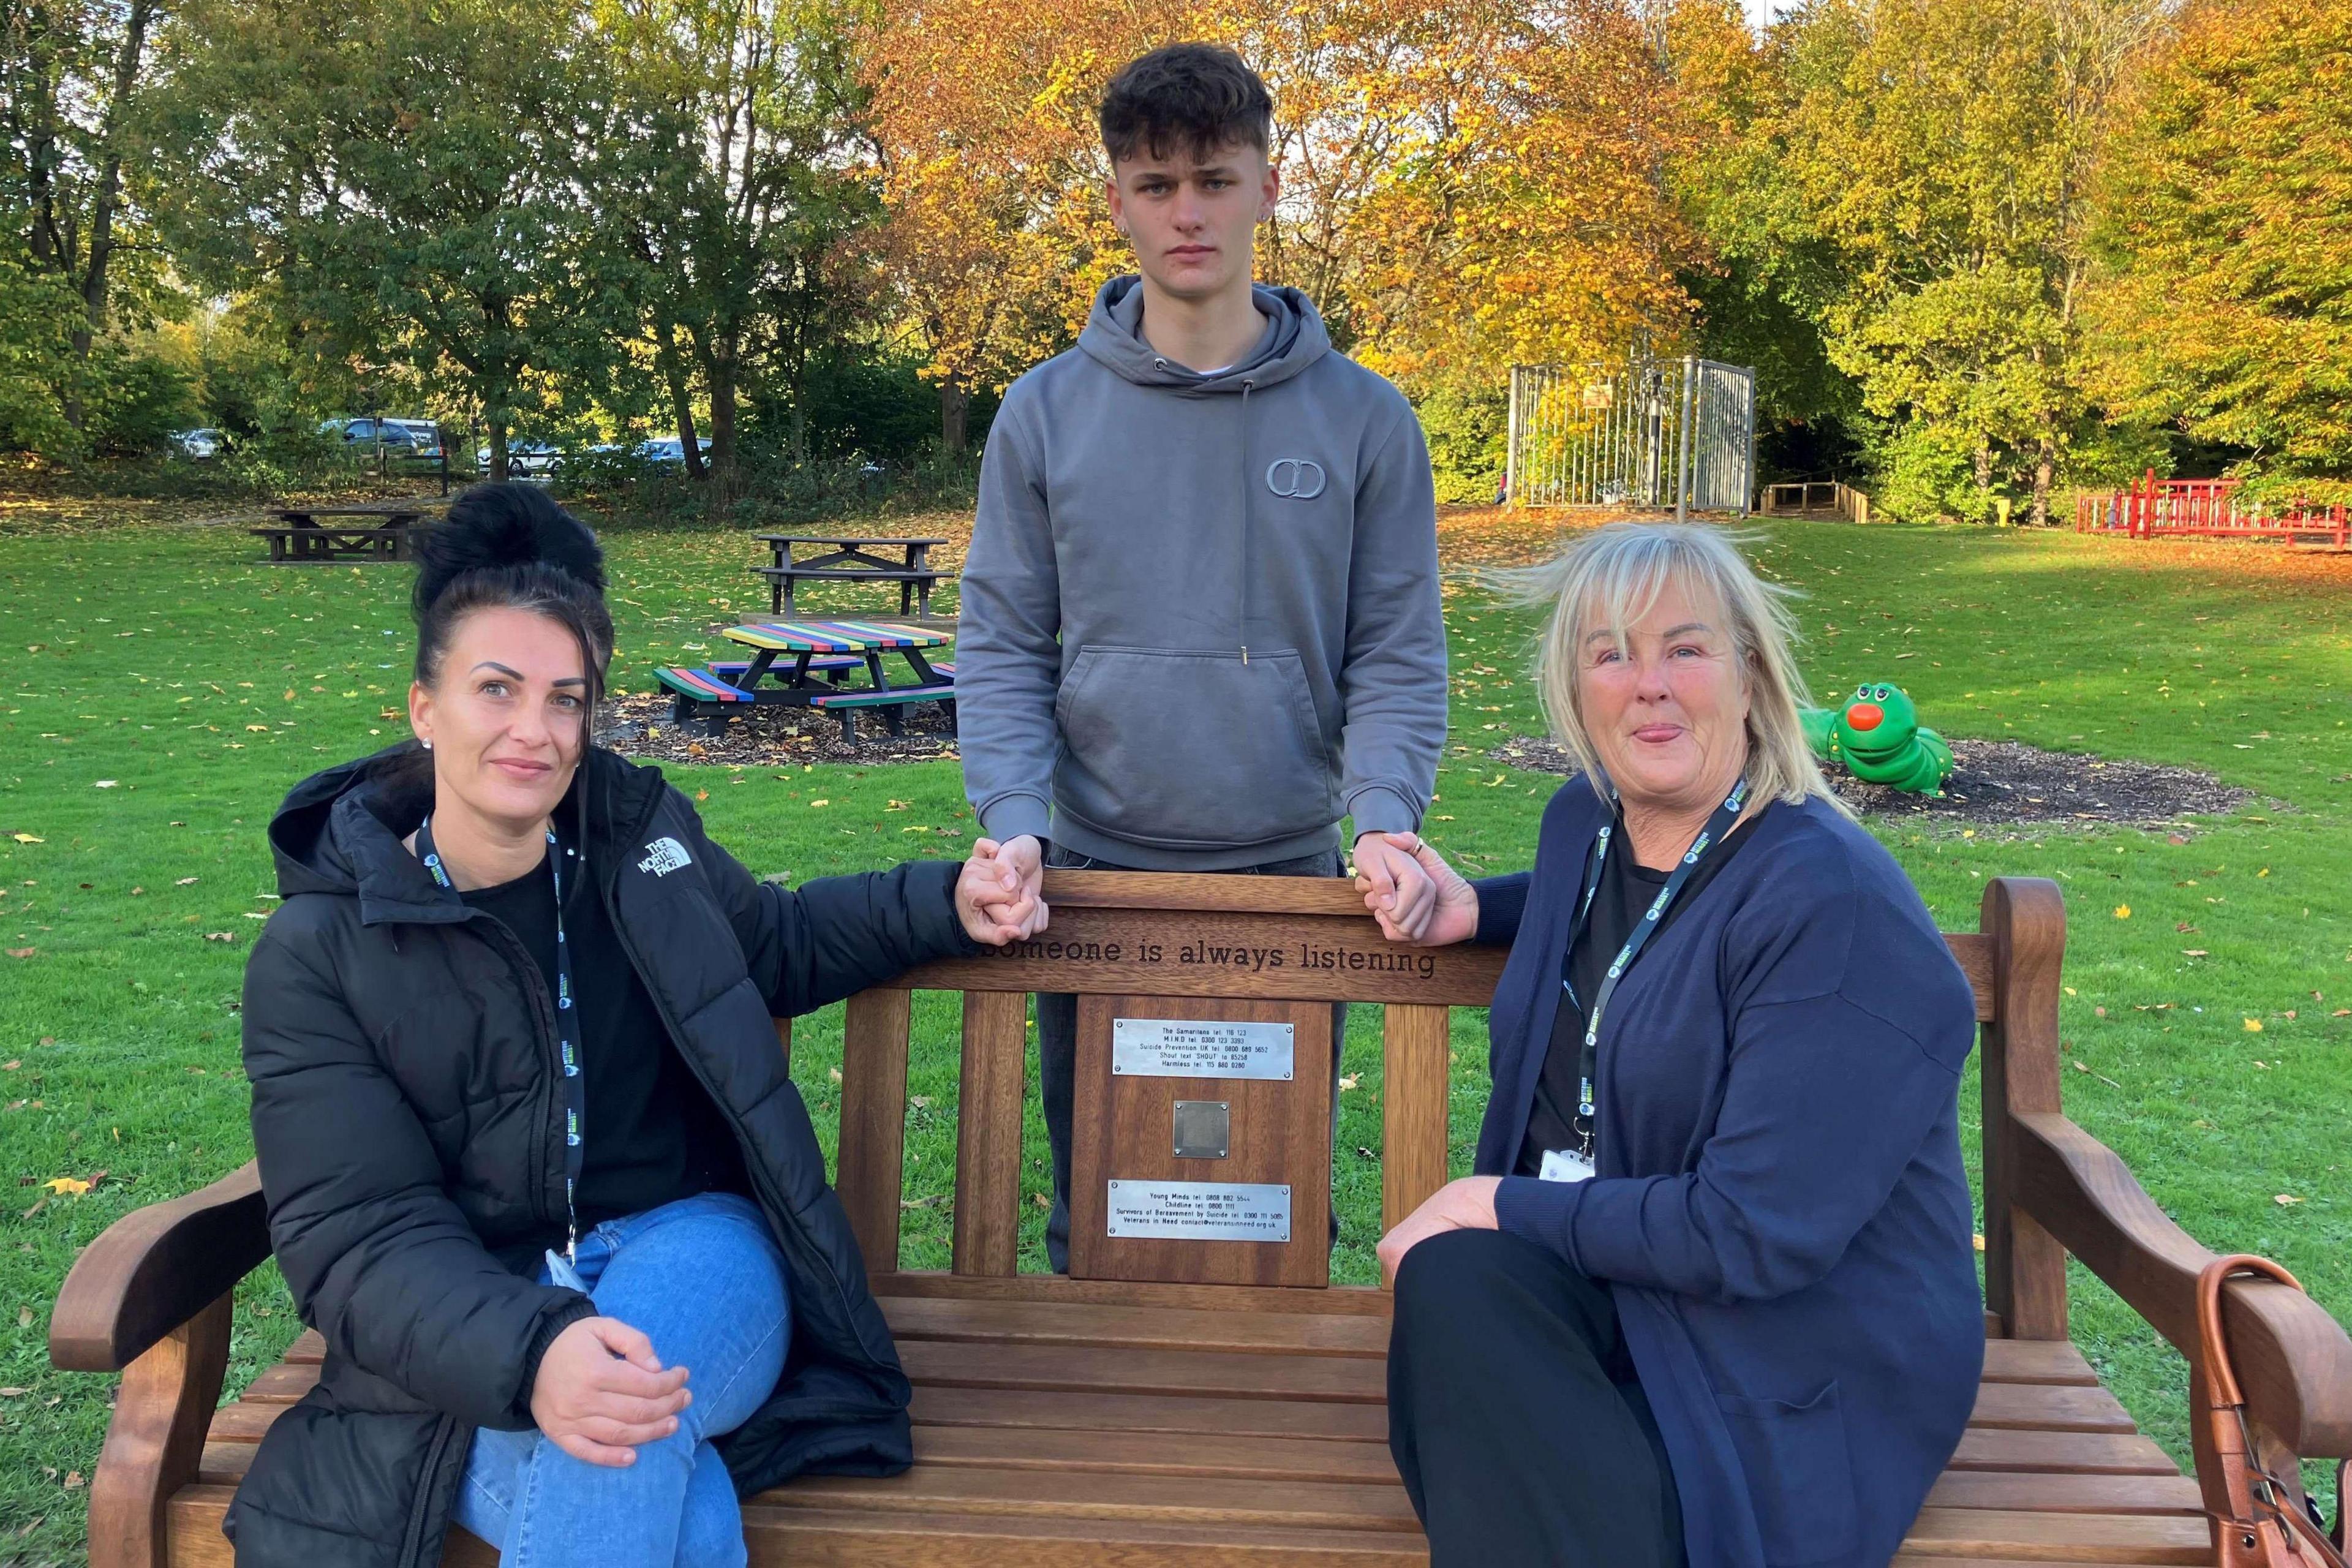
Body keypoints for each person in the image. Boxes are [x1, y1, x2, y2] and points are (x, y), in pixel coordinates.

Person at [223, 485, 1036, 1568]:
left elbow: (775, 945)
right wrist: (535, 1349)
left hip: (690, 1246)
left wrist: (944, 902)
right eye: (496, 690)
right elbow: (362, 1236)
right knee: (652, 1471)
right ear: (424, 709)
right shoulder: (321, 953)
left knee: (623, 1397)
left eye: (566, 699)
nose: (535, 731)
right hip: (482, 1294)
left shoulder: (635, 845)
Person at [1363, 521, 1983, 1568]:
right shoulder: (1588, 824)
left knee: (1475, 1307)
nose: (1646, 685)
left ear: (1749, 672)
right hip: (1615, 1288)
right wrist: (1483, 909)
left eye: (1684, 648)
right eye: (1610, 652)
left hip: (1779, 1348)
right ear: (1574, 687)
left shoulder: (1833, 908)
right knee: (1457, 1289)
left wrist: (1494, 1200)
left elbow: (1756, 1235)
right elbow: (1635, 910)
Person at [956, 42, 1450, 1270]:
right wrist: (1014, 814)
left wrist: (1384, 813)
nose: (1188, 211)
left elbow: (1394, 645)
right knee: (1104, 1216)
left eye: (1215, 180)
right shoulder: (1045, 413)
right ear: (1118, 198)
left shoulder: (1366, 419)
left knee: (1269, 1216)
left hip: (1289, 878)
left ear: (1269, 190)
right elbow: (1006, 635)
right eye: (1158, 182)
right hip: (1093, 877)